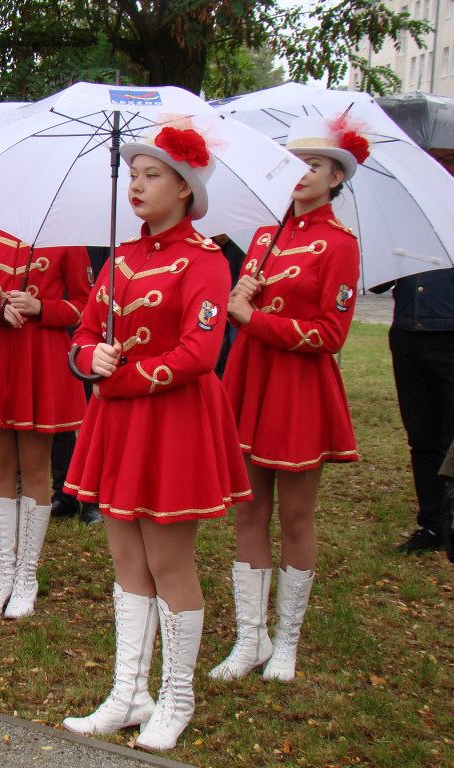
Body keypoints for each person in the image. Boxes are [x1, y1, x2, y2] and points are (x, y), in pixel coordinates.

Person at [61, 121, 250, 751]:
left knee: (170, 562)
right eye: (133, 175)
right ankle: (128, 693)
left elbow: (200, 352)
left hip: (173, 422)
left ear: (186, 188)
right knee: (126, 560)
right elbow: (83, 334)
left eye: (153, 176)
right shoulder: (118, 260)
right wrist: (92, 362)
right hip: (119, 423)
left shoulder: (207, 259)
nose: (138, 186)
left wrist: (121, 377)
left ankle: (177, 698)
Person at [211, 114, 363, 685]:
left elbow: (331, 334)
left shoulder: (341, 244)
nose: (302, 174)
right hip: (249, 381)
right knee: (248, 509)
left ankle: (288, 642)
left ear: (336, 179)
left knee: (297, 517)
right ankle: (251, 637)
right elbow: (240, 310)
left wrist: (255, 318)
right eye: (295, 165)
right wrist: (238, 299)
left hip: (299, 390)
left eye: (316, 166)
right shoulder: (262, 236)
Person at [0, 222, 90, 620]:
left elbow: (85, 303)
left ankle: (27, 577)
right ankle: (2, 576)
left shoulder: (67, 232)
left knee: (37, 470)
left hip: (40, 359)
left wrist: (39, 307)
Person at [375, 144, 454, 554]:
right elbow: (377, 281)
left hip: (450, 335)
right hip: (408, 334)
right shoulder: (406, 219)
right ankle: (432, 525)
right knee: (422, 438)